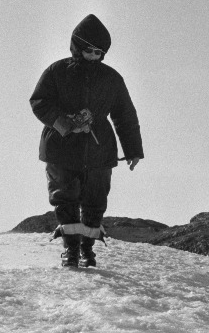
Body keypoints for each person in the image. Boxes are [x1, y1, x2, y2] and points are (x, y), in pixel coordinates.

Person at [30, 14, 143, 267]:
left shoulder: (113, 79)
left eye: (101, 52)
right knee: (65, 198)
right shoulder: (56, 71)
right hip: (61, 149)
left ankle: (87, 249)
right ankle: (71, 250)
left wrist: (133, 150)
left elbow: (125, 115)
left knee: (95, 201)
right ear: (77, 46)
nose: (96, 55)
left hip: (99, 151)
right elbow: (39, 102)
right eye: (91, 50)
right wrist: (65, 123)